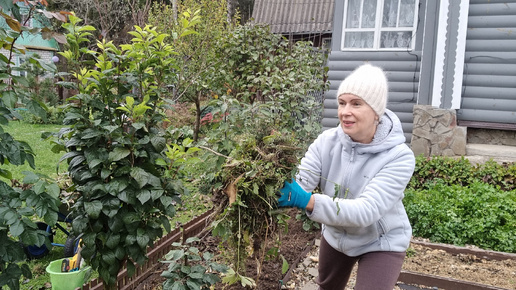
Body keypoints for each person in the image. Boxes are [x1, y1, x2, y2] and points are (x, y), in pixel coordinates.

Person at [278, 63, 415, 290]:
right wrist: (272, 184)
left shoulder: (399, 157)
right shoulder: (327, 141)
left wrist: (307, 200)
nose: (345, 111)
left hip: (380, 241)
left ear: (376, 112)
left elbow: (366, 211)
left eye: (356, 104)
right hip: (335, 234)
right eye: (342, 103)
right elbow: (302, 180)